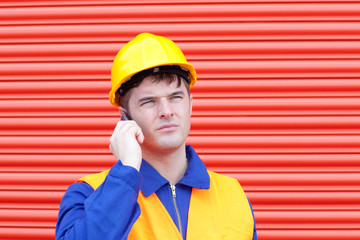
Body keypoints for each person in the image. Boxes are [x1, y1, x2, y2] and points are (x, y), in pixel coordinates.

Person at [55, 33, 257, 240]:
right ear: (125, 117)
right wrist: (126, 172)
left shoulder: (233, 195)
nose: (166, 111)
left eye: (175, 97)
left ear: (190, 105)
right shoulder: (87, 194)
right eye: (149, 101)